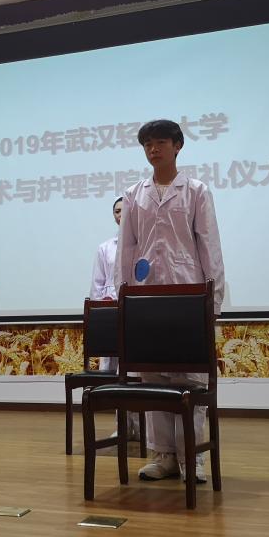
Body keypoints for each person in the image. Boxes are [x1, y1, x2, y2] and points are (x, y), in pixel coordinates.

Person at [114, 119, 225, 484]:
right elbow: (127, 248)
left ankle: (193, 456)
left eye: (161, 142)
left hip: (188, 296)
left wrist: (213, 301)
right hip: (146, 297)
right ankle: (163, 456)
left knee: (190, 378)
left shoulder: (196, 191)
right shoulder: (134, 193)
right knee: (153, 376)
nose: (153, 149)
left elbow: (209, 245)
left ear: (177, 146)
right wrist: (124, 296)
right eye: (148, 143)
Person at [89, 196, 140, 440]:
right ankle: (122, 426)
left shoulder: (142, 243)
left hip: (136, 313)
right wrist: (100, 315)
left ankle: (140, 426)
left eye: (124, 210)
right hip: (111, 314)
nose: (121, 214)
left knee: (135, 372)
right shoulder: (105, 248)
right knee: (114, 373)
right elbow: (97, 284)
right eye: (117, 211)